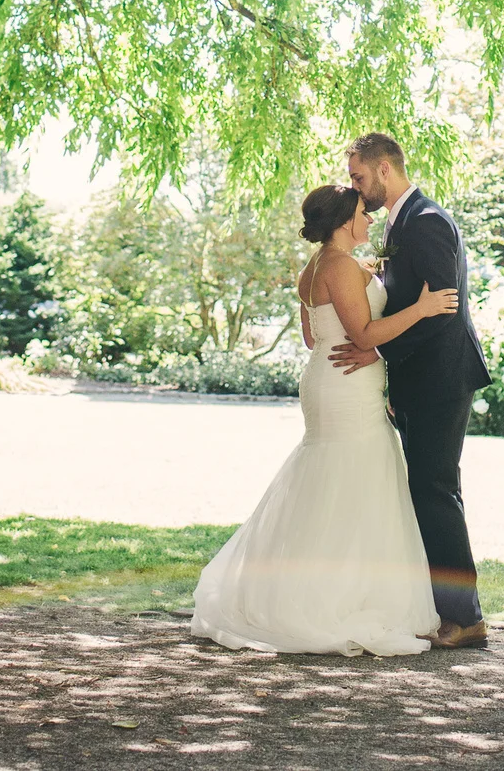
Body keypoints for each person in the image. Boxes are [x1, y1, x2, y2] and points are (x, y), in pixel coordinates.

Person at [189, 182, 459, 655]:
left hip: (326, 377)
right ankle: (343, 600)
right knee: (356, 478)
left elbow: (315, 339)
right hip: (347, 386)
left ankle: (315, 590)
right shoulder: (340, 266)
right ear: (343, 221)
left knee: (331, 478)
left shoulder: (316, 267)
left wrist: (365, 291)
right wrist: (421, 309)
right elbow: (364, 334)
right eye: (362, 213)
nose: (369, 218)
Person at [332, 131, 493, 648]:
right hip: (418, 378)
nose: (355, 188)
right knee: (425, 491)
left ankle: (465, 618)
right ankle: (439, 609)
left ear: (384, 169)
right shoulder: (402, 222)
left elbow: (442, 310)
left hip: (441, 378)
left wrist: (378, 352)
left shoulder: (426, 221)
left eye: (358, 177)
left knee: (436, 491)